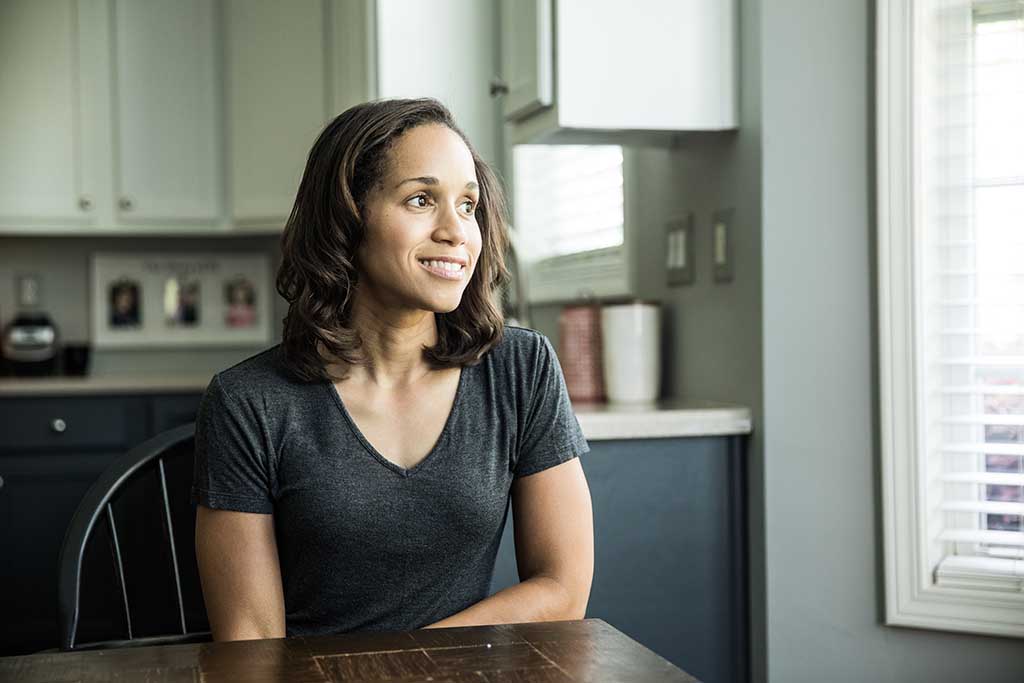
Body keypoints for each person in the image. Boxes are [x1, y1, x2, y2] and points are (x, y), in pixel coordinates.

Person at [192, 98, 594, 642]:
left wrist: (405, 665)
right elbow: (251, 645)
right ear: (347, 218)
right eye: (422, 200)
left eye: (469, 205)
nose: (458, 232)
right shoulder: (249, 402)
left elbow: (562, 588)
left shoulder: (522, 370)